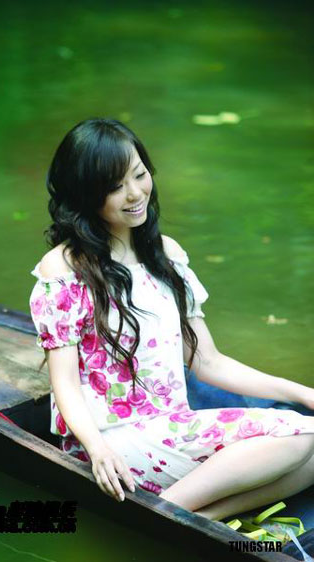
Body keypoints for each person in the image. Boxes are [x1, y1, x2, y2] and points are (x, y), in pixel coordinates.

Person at [29, 117, 314, 521]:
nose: (134, 193)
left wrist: (304, 394)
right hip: (109, 442)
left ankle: (191, 517)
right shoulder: (64, 269)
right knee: (300, 437)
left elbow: (208, 362)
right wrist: (98, 449)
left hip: (172, 428)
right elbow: (65, 384)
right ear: (86, 194)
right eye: (115, 186)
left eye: (139, 174)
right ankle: (158, 516)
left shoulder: (166, 256)